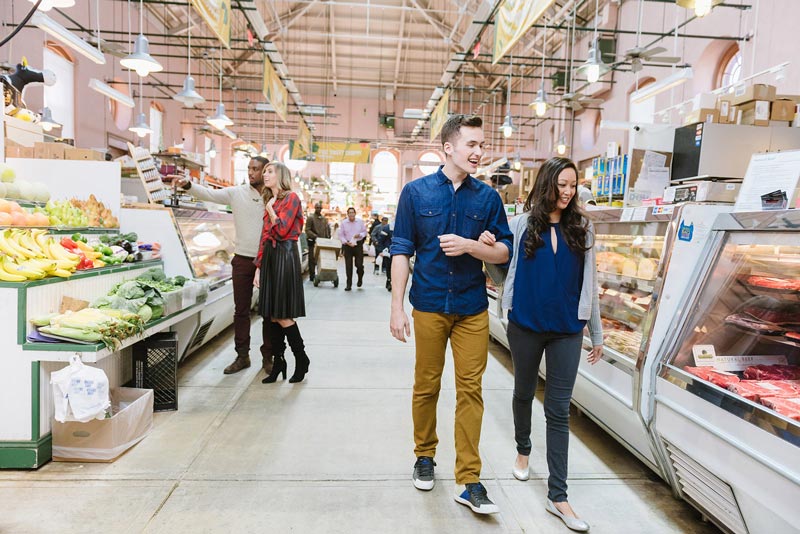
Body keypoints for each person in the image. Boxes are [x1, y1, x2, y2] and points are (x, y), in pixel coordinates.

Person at [389, 114, 512, 515]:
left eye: (482, 145)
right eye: (472, 144)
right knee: (426, 385)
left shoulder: (488, 199)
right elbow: (401, 251)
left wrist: (475, 247)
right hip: (427, 305)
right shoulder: (416, 193)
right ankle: (424, 456)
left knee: (470, 390)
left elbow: (504, 253)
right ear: (448, 147)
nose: (479, 152)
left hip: (471, 308)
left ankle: (469, 479)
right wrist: (396, 307)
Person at [491, 157, 603, 532]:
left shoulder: (583, 229)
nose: (568, 192)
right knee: (523, 392)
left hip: (567, 330)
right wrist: (489, 246)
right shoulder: (522, 224)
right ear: (547, 184)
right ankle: (523, 450)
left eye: (573, 185)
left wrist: (596, 334)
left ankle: (559, 496)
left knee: (558, 410)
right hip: (525, 324)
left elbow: (591, 285)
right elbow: (500, 268)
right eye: (562, 184)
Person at [176, 156, 279, 376]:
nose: (251, 173)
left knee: (269, 311)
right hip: (242, 258)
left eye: (256, 169)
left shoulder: (274, 196)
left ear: (266, 171)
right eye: (249, 168)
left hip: (269, 260)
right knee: (241, 310)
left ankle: (268, 357)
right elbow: (210, 194)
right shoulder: (236, 193)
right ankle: (242, 356)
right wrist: (187, 185)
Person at [255, 162, 310, 384]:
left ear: (281, 175)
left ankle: (301, 358)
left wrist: (270, 209)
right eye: (264, 171)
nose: (264, 174)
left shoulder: (291, 198)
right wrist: (258, 267)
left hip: (285, 256)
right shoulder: (272, 200)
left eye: (269, 171)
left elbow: (282, 229)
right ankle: (279, 363)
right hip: (270, 257)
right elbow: (264, 235)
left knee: (282, 314)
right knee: (271, 314)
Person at [338, 207, 367, 291]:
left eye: (352, 212)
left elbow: (365, 232)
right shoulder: (343, 223)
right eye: (349, 213)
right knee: (348, 265)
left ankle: (360, 277)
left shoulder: (360, 222)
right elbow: (341, 235)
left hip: (358, 245)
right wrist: (345, 242)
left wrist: (360, 235)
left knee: (359, 264)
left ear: (355, 213)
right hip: (348, 245)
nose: (351, 214)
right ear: (347, 214)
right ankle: (348, 284)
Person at [305, 201, 331, 282]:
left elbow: (327, 229)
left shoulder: (324, 219)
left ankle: (321, 273)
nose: (318, 209)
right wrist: (314, 236)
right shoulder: (310, 218)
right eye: (317, 207)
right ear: (314, 208)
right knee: (312, 259)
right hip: (313, 241)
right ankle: (312, 275)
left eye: (320, 208)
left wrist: (328, 237)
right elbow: (307, 230)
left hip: (323, 242)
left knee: (321, 259)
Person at [371, 216, 392, 290]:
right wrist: (381, 250)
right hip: (387, 251)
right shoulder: (386, 228)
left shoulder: (403, 228)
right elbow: (381, 239)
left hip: (397, 252)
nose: (385, 221)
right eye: (384, 220)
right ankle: (389, 280)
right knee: (388, 266)